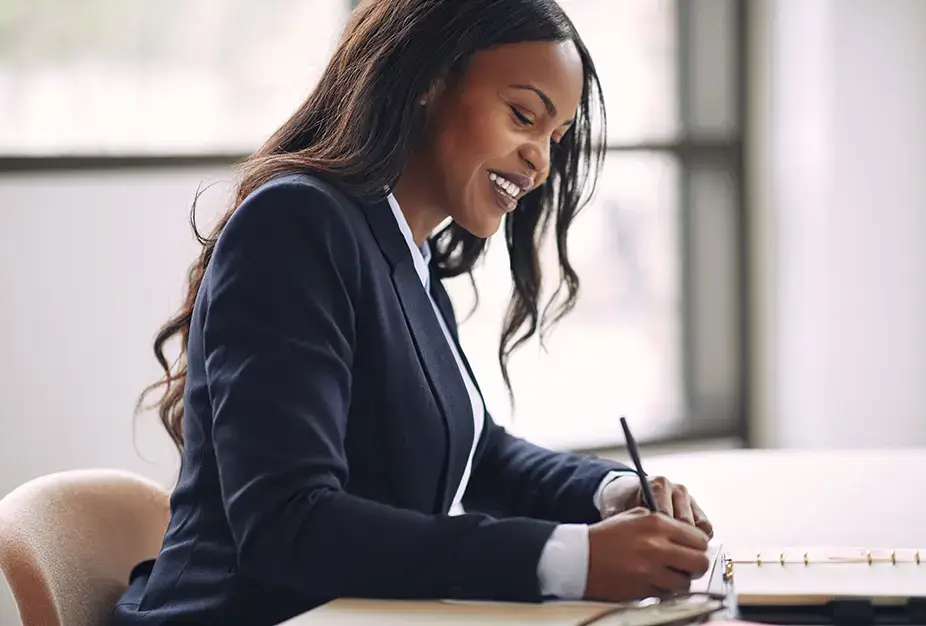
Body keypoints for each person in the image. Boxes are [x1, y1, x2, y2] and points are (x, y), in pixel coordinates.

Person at [111, 1, 714, 624]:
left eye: (554, 138)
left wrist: (606, 491)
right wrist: (570, 560)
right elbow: (288, 524)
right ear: (430, 78)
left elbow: (478, 453)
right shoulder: (295, 225)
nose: (540, 160)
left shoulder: (409, 257)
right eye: (523, 115)